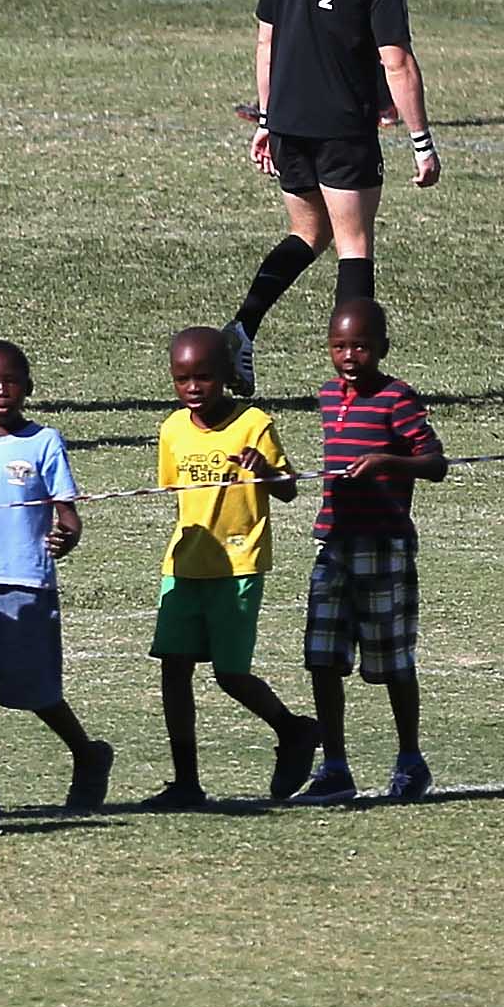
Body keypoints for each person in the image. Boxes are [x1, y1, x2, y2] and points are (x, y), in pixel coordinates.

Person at [225, 0, 437, 395]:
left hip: (290, 123)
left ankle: (243, 329)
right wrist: (421, 142)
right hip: (344, 128)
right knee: (353, 244)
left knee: (309, 232)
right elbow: (398, 62)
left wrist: (266, 118)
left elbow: (266, 41)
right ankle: (356, 383)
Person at [0, 341, 115, 818]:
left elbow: (68, 516)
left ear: (28, 387)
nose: (2, 390)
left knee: (33, 691)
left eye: (11, 381)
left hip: (25, 585)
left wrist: (66, 538)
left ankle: (87, 752)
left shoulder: (44, 442)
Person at [146, 326, 319, 809]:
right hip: (184, 565)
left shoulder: (253, 423)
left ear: (225, 374)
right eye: (183, 379)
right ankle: (186, 781)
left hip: (238, 565)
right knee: (174, 670)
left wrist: (264, 471)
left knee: (229, 674)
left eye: (204, 376)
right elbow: (175, 491)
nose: (194, 388)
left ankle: (294, 729)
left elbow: (288, 488)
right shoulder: (172, 429)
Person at [294, 299, 446, 804]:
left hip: (383, 545)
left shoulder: (396, 398)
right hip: (334, 540)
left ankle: (409, 759)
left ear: (381, 347)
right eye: (340, 346)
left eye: (360, 345)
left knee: (391, 661)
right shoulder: (325, 396)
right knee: (321, 657)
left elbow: (434, 462)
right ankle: (335, 766)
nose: (350, 356)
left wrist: (387, 461)